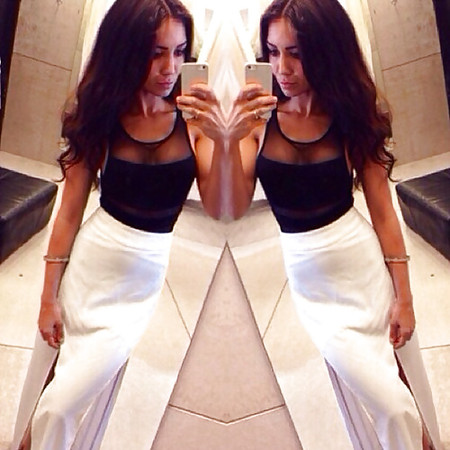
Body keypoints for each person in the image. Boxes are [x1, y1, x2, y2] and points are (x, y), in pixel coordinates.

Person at [223, 0, 442, 448]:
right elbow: (234, 205)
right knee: (377, 398)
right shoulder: (260, 120)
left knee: (401, 386)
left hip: (361, 267)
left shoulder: (350, 115)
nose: (282, 68)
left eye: (296, 53)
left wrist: (404, 297)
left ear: (326, 50)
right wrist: (233, 137)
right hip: (312, 284)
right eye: (273, 51)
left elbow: (383, 212)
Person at [11, 0, 225, 448]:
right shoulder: (102, 115)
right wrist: (48, 298)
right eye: (156, 53)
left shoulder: (191, 120)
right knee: (53, 387)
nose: (170, 67)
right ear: (126, 49)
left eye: (180, 51)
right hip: (92, 266)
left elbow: (218, 204)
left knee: (77, 399)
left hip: (142, 282)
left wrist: (218, 137)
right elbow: (69, 212)